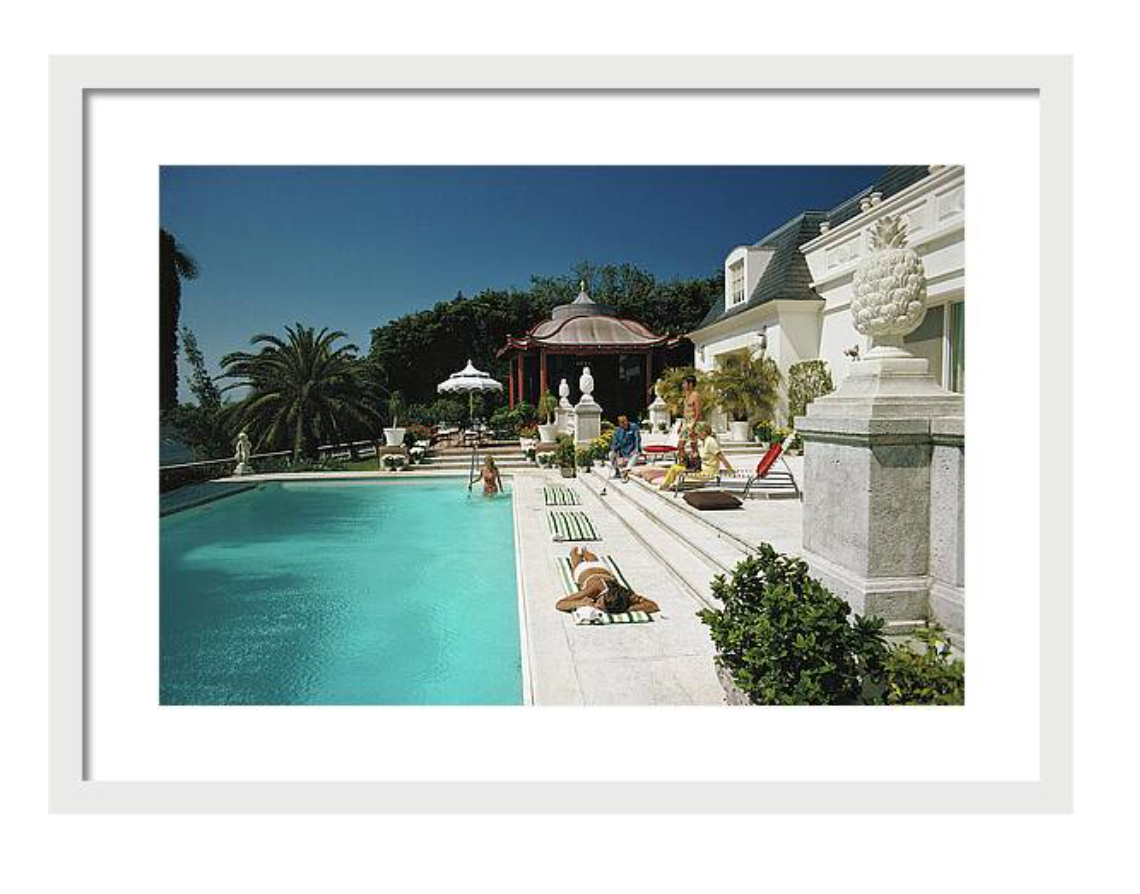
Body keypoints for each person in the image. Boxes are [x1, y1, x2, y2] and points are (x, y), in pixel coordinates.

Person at [555, 546, 660, 614]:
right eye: (600, 603)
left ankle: (585, 551)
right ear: (603, 595)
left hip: (602, 568)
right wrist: (582, 603)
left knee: (593, 559)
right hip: (583, 570)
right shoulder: (593, 589)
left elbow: (653, 606)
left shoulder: (623, 595)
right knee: (576, 562)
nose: (597, 605)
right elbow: (560, 604)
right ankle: (575, 551)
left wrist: (627, 609)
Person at [658, 422, 734, 491]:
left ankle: (664, 486)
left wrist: (730, 469)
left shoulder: (710, 441)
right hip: (700, 469)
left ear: (704, 432)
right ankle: (666, 485)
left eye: (698, 433)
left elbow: (721, 456)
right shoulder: (704, 441)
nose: (697, 435)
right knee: (676, 467)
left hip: (707, 472)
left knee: (674, 468)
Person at [608, 414, 641, 479]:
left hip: (632, 449)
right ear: (620, 424)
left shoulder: (634, 427)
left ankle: (627, 470)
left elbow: (637, 438)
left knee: (636, 453)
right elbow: (615, 441)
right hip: (622, 451)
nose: (624, 424)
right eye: (622, 423)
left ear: (627, 421)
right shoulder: (618, 430)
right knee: (611, 454)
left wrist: (637, 448)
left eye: (625, 422)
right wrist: (614, 449)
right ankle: (617, 472)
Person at [681, 374, 702, 439]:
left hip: (693, 422)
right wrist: (681, 425)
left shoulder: (695, 395)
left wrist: (693, 425)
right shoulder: (686, 395)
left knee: (693, 445)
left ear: (690, 384)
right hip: (686, 422)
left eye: (684, 383)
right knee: (680, 445)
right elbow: (685, 411)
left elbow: (698, 413)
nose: (683, 385)